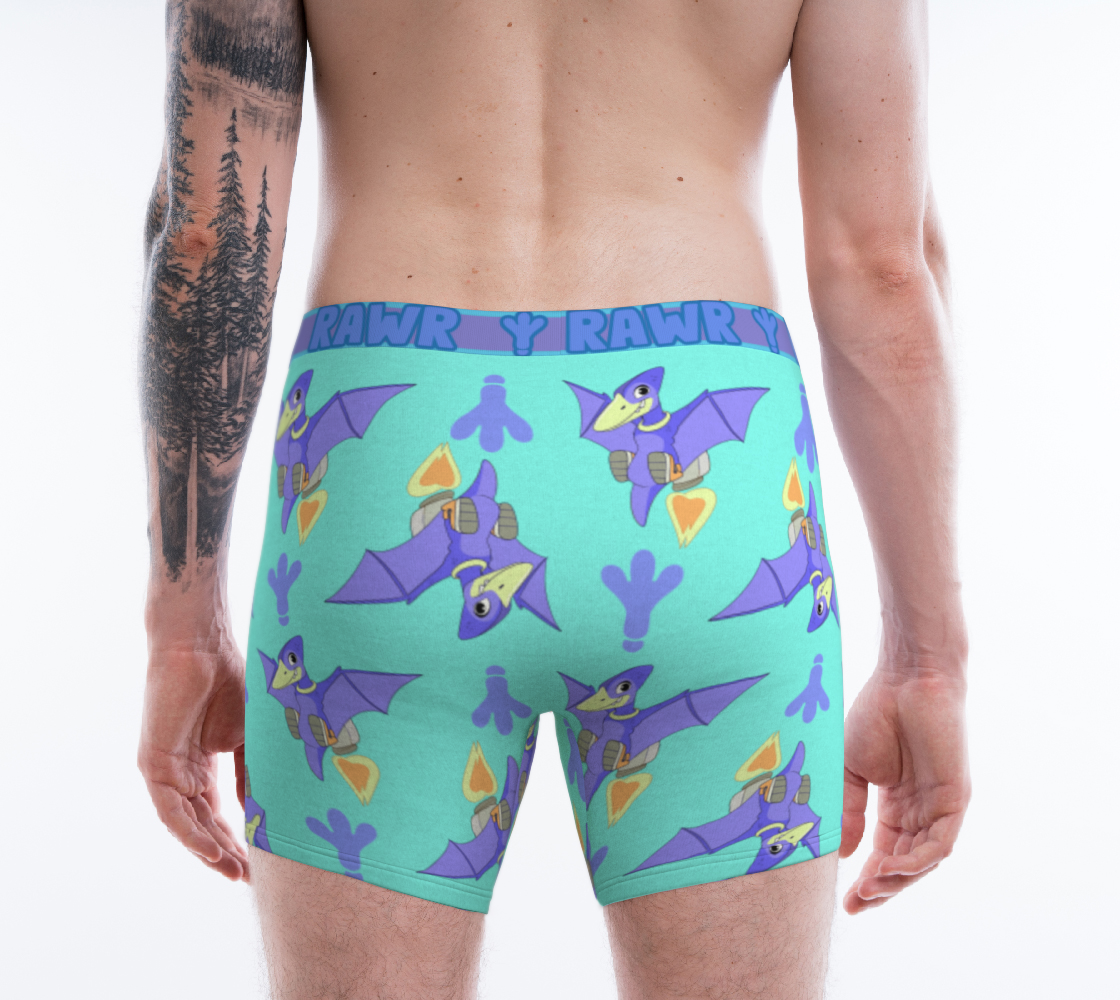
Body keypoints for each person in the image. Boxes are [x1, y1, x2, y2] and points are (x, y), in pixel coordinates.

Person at [138, 1, 969, 996]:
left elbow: (208, 238)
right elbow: (883, 268)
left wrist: (183, 632)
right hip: (706, 478)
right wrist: (928, 662)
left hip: (392, 454)